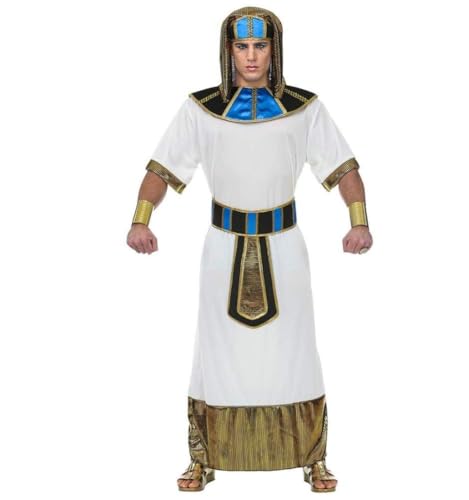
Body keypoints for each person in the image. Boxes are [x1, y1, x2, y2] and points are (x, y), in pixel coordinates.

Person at [126, 6, 373, 493]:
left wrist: (358, 221)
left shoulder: (304, 108)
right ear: (229, 50)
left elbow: (343, 167)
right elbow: (161, 168)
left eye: (260, 46)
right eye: (242, 46)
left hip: (285, 248)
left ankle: (313, 457)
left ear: (274, 49)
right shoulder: (200, 109)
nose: (252, 56)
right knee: (214, 353)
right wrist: (141, 220)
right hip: (222, 249)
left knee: (296, 352)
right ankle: (203, 457)